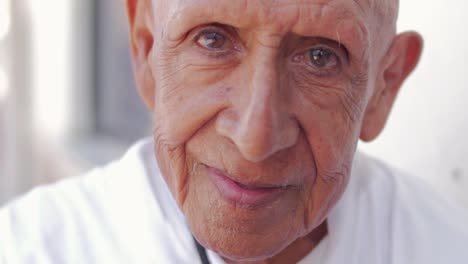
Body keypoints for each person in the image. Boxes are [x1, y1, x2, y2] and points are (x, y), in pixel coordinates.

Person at [1, 0, 468, 263]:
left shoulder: (445, 249)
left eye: (321, 56)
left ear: (382, 89)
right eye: (212, 39)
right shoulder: (27, 250)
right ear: (145, 50)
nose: (256, 138)